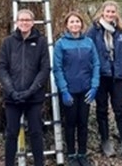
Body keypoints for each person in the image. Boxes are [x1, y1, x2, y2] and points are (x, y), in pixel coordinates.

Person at [0, 9, 51, 166]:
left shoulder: (41, 42)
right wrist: (11, 91)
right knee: (11, 133)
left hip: (34, 97)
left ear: (33, 22)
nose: (24, 23)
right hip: (12, 97)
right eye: (21, 20)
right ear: (16, 22)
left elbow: (44, 69)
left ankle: (39, 163)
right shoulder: (8, 42)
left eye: (27, 20)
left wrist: (31, 91)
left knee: (36, 132)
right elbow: (2, 67)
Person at [86, 1, 122, 162]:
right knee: (101, 109)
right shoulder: (93, 31)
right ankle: (105, 141)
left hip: (117, 76)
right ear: (102, 12)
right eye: (108, 11)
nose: (110, 14)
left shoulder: (121, 33)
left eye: (113, 11)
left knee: (120, 109)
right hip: (100, 75)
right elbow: (88, 53)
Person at [53, 11, 100, 166]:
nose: (75, 24)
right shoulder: (61, 44)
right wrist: (64, 90)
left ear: (81, 24)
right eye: (71, 22)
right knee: (70, 123)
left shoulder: (89, 42)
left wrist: (94, 86)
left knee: (83, 123)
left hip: (86, 90)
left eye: (77, 22)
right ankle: (71, 154)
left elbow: (96, 64)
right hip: (69, 91)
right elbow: (57, 68)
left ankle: (82, 153)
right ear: (67, 25)